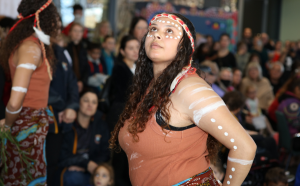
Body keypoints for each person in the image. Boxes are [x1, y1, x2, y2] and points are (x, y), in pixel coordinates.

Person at [109, 12, 256, 185]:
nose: (157, 34)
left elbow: (244, 147)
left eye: (169, 31)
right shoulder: (150, 86)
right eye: (153, 29)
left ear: (184, 46)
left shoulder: (191, 89)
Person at [0, 0, 59, 184]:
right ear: (45, 19)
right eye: (54, 19)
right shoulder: (32, 47)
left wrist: (8, 123)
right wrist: (8, 124)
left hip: (26, 124)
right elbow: (16, 100)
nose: (57, 24)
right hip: (26, 124)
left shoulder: (31, 45)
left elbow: (16, 100)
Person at [47, 19, 79, 186]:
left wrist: (72, 107)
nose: (56, 29)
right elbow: (38, 87)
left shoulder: (62, 52)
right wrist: (61, 106)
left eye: (58, 26)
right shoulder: (36, 50)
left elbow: (72, 82)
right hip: (46, 117)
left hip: (63, 119)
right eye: (53, 25)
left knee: (54, 163)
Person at [59, 89, 110, 186]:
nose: (90, 105)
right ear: (78, 102)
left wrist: (90, 166)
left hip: (93, 170)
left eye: (94, 102)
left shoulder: (101, 125)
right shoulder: (68, 124)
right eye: (86, 100)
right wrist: (85, 164)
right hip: (69, 170)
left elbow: (106, 153)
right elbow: (61, 156)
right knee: (74, 178)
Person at [107, 35, 139, 186]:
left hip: (133, 118)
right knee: (121, 159)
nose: (135, 51)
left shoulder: (137, 68)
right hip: (122, 118)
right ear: (122, 51)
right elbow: (122, 96)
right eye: (130, 48)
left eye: (137, 48)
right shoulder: (120, 68)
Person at [66, 23, 90, 93]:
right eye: (75, 31)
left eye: (80, 31)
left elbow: (86, 67)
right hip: (69, 83)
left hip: (82, 84)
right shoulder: (65, 48)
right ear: (70, 32)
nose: (78, 33)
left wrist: (82, 82)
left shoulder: (84, 48)